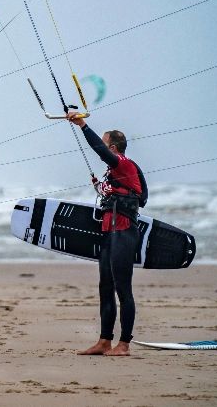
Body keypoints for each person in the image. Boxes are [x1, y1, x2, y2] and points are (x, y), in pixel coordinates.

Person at [68, 111, 148, 357]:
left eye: (105, 144)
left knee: (123, 288)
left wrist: (82, 125)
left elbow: (140, 198)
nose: (102, 149)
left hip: (124, 232)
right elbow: (137, 195)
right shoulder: (115, 172)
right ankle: (104, 341)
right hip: (109, 233)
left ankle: (123, 344)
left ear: (112, 147)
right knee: (105, 287)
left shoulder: (123, 163)